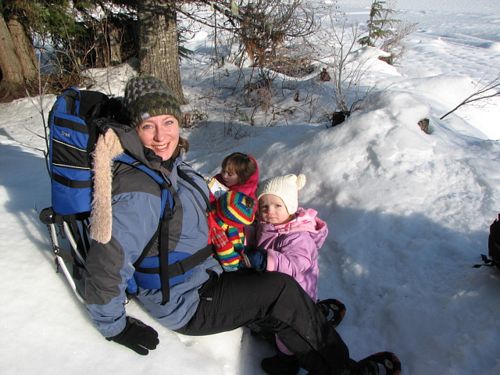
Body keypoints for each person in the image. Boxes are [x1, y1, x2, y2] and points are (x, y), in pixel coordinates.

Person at [83, 75, 401, 375]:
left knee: (277, 271)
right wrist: (114, 325)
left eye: (168, 122)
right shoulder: (140, 190)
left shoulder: (167, 165)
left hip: (208, 272)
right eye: (147, 126)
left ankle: (304, 320)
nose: (161, 135)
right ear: (132, 129)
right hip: (188, 299)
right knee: (280, 292)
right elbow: (107, 262)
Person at [245, 174, 346, 371]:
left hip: (297, 293)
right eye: (264, 206)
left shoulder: (298, 237)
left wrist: (267, 259)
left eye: (277, 206)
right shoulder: (269, 225)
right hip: (277, 287)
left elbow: (295, 264)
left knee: (288, 333)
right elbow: (259, 237)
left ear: (290, 207)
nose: (269, 211)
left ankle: (287, 362)